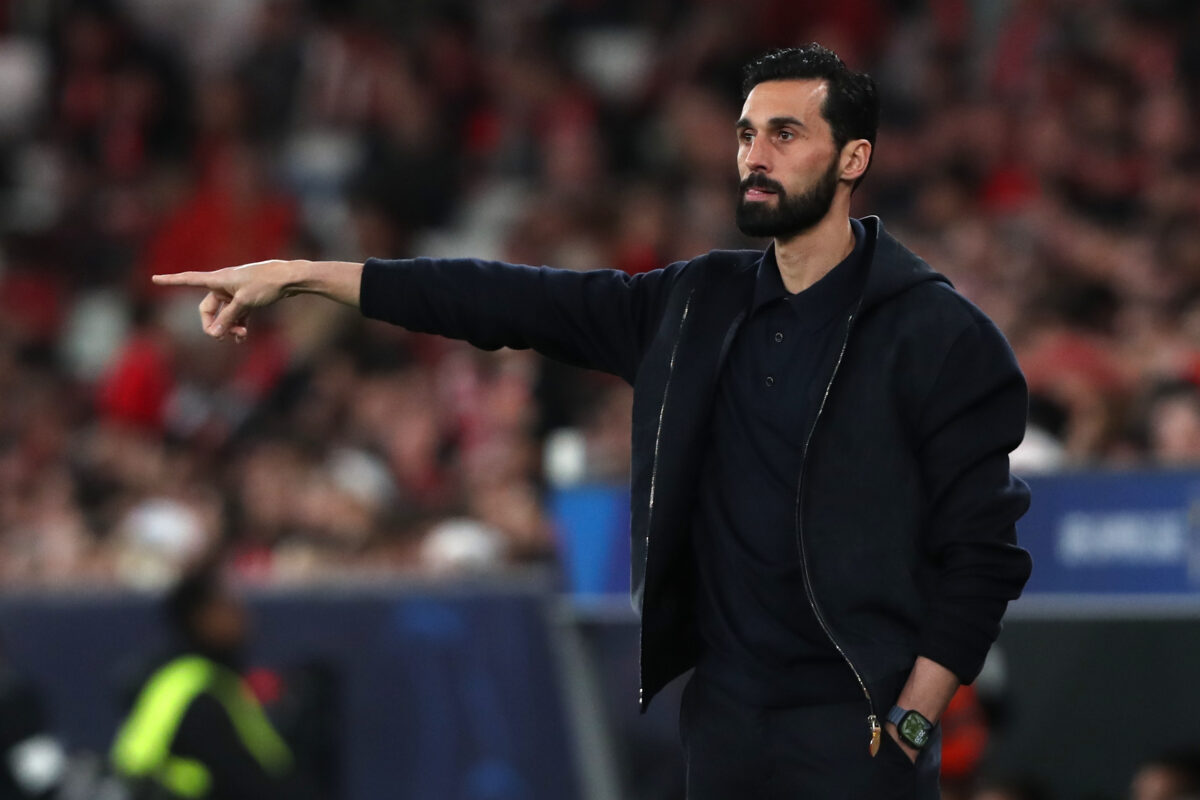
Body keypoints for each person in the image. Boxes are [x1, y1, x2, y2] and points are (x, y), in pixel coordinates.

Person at [153, 43, 1033, 799]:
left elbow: (984, 552)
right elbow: (502, 300)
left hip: (856, 724)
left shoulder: (938, 335)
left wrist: (911, 720)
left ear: (852, 158)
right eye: (745, 134)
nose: (754, 156)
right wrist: (306, 275)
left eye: (785, 134)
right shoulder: (693, 304)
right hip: (724, 718)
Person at [110, 564, 315, 800]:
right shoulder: (191, 690)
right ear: (201, 617)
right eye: (228, 606)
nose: (243, 615)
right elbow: (241, 778)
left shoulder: (217, 679)